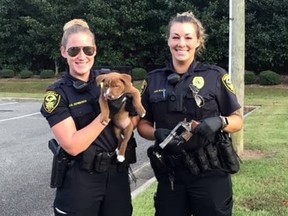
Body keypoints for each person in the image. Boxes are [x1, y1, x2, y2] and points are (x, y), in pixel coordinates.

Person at [137, 11, 243, 216]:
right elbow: (143, 124)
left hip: (210, 170)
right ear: (168, 40)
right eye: (175, 37)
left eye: (188, 37)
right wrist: (155, 134)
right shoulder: (153, 80)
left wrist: (220, 122)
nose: (181, 43)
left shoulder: (215, 76)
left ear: (198, 41)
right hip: (171, 174)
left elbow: (237, 120)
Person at [40, 19, 137, 216]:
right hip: (80, 179)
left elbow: (134, 117)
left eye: (87, 50)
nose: (81, 56)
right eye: (74, 50)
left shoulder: (108, 79)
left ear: (95, 50)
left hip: (116, 174)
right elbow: (72, 144)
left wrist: (125, 122)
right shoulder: (57, 94)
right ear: (63, 52)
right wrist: (106, 115)